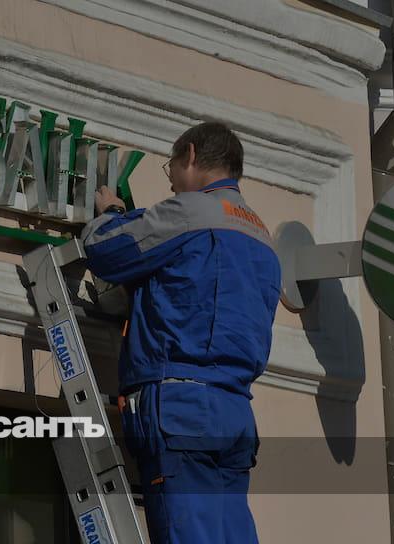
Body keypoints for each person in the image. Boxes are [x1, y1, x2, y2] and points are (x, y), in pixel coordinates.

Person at [81, 121, 281, 543]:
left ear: (190, 155)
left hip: (183, 409)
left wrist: (112, 213)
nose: (170, 181)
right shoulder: (262, 238)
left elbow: (105, 249)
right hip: (234, 411)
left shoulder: (189, 212)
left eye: (170, 167)